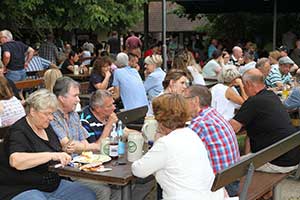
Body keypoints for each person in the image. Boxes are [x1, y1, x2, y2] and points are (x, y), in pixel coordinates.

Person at [0, 89, 96, 200]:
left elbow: (55, 149)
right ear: (32, 111)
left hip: (52, 185)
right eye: (47, 114)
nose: (51, 118)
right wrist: (52, 155)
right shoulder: (18, 131)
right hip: (23, 188)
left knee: (87, 195)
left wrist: (65, 150)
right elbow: (16, 161)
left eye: (52, 113)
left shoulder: (46, 127)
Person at [132, 93, 226, 200]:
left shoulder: (165, 143)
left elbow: (138, 170)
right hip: (209, 196)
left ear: (159, 118)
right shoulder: (191, 134)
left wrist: (157, 139)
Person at [50, 77, 118, 200]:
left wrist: (82, 147)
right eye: (75, 96)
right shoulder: (52, 117)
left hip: (83, 166)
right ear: (61, 97)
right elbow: (69, 146)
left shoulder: (74, 115)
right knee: (104, 189)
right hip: (67, 172)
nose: (78, 100)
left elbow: (84, 144)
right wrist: (84, 147)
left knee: (117, 185)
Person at [229, 68, 300, 173]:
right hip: (291, 156)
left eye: (243, 86)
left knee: (227, 168)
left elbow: (230, 129)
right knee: (245, 159)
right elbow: (251, 133)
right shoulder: (272, 96)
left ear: (248, 84)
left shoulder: (253, 102)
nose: (243, 88)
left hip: (276, 162)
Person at [185, 85, 240, 196]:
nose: (181, 104)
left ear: (195, 101)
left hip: (219, 186)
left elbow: (180, 149)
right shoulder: (213, 114)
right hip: (231, 177)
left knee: (170, 177)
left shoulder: (200, 122)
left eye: (184, 99)